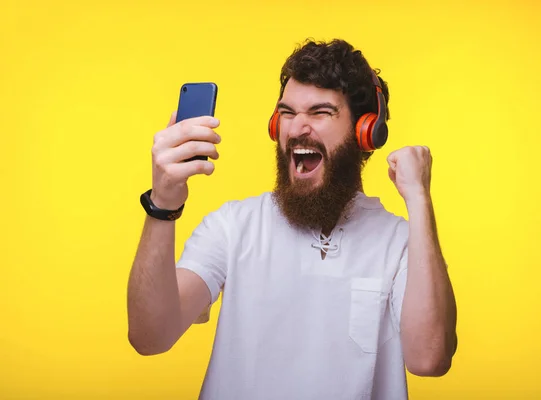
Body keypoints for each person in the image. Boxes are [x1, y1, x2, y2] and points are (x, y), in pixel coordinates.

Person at [127, 38, 458, 400]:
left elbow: (430, 358)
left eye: (320, 112)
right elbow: (150, 336)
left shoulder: (400, 242)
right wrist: (163, 202)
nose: (296, 128)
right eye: (287, 113)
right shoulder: (233, 227)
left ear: (366, 132)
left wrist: (419, 199)